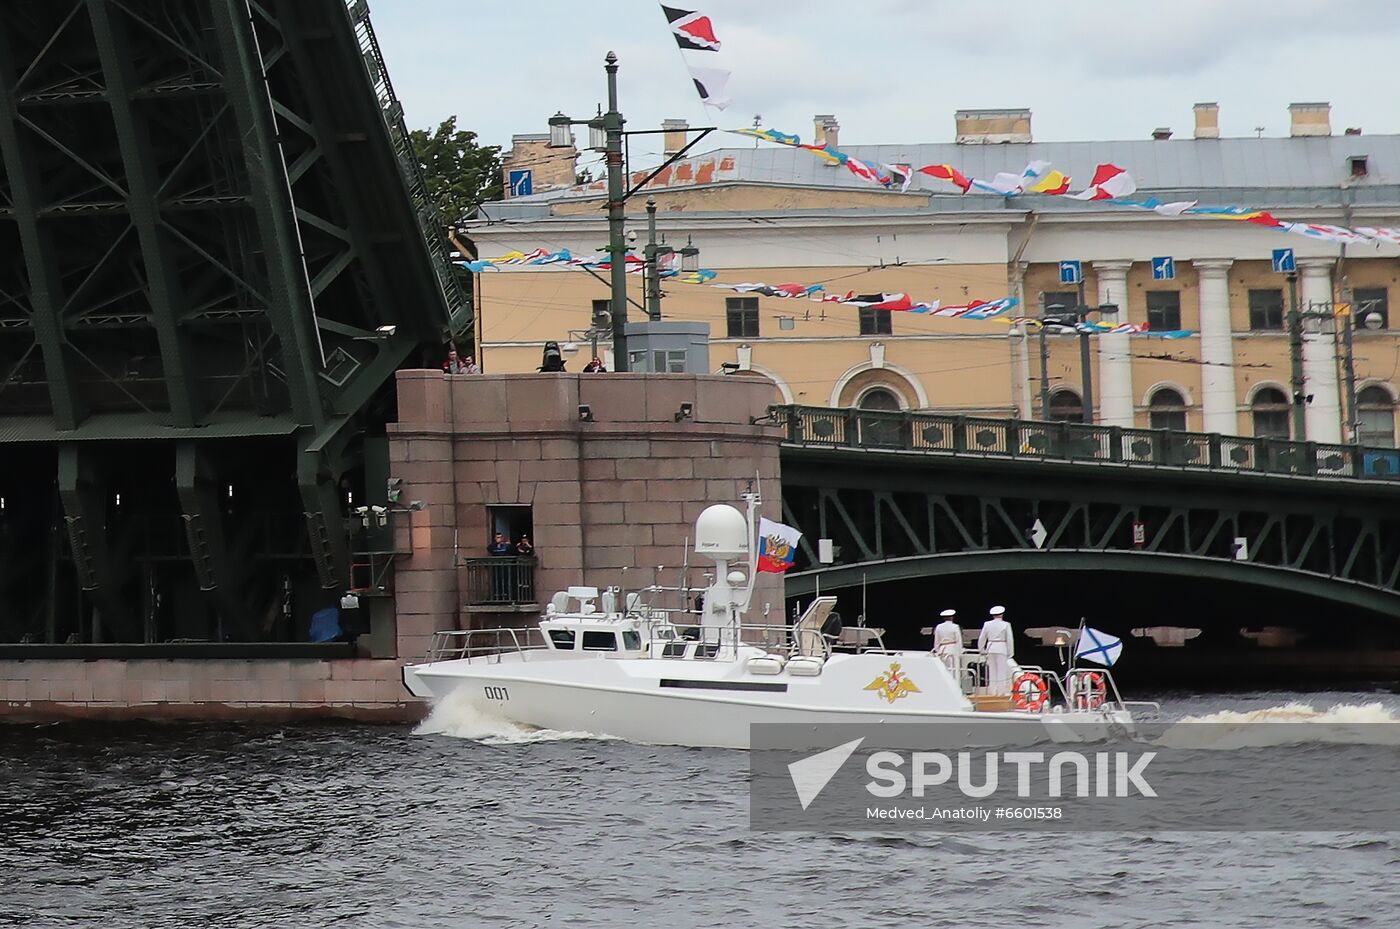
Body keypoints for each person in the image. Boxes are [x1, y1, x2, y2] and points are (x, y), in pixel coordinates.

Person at [978, 605, 1015, 695]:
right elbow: (1009, 639)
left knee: (992, 671)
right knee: (1001, 671)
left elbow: (982, 638)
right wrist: (1011, 652)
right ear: (1002, 614)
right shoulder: (1006, 624)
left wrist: (982, 649)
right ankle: (1001, 692)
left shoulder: (987, 624)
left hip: (990, 648)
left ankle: (992, 691)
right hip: (1001, 648)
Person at [932, 608, 963, 678]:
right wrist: (960, 651)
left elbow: (936, 640)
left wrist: (937, 650)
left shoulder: (939, 627)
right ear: (952, 617)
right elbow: (958, 640)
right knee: (953, 669)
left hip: (942, 649)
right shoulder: (955, 626)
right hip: (952, 649)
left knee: (943, 669)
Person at [487, 532, 512, 601]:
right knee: (496, 581)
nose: (499, 539)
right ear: (495, 538)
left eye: (500, 537)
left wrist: (508, 544)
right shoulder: (493, 546)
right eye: (497, 537)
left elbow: (511, 551)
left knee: (506, 581)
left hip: (505, 566)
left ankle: (507, 596)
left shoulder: (506, 546)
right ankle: (497, 595)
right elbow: (489, 548)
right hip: (496, 566)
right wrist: (496, 544)